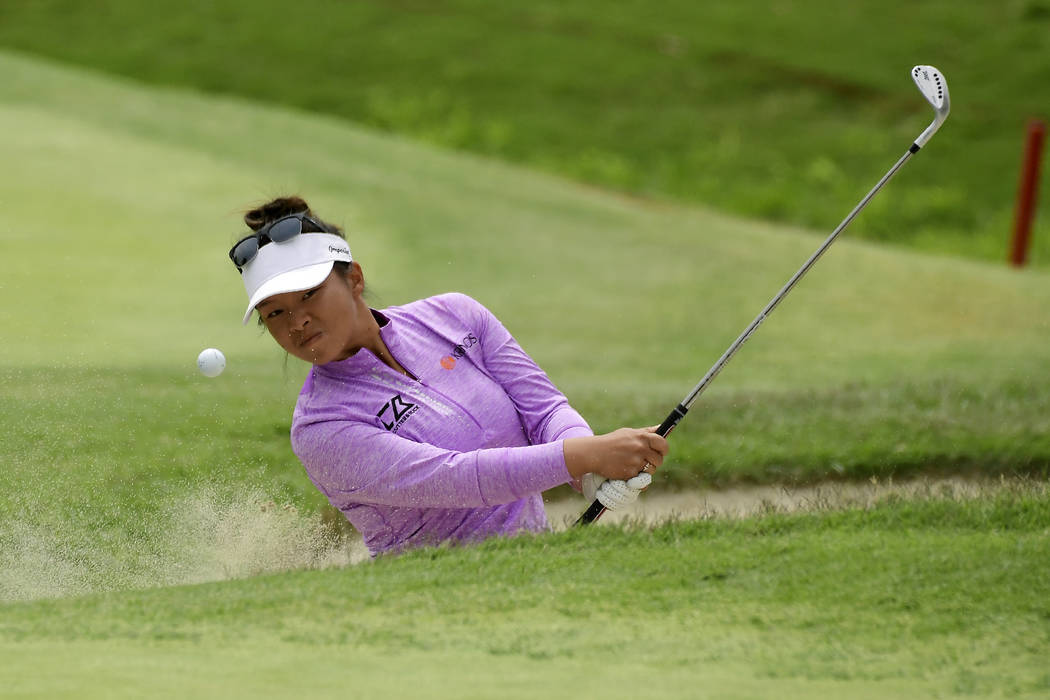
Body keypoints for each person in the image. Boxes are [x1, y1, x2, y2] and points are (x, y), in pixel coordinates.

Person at [229, 196, 669, 556]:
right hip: (432, 604)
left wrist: (587, 472)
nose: (297, 321)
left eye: (309, 295)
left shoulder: (455, 315)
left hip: (537, 567)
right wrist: (586, 455)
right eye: (275, 313)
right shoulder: (320, 428)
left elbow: (543, 409)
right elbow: (459, 478)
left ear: (355, 278)